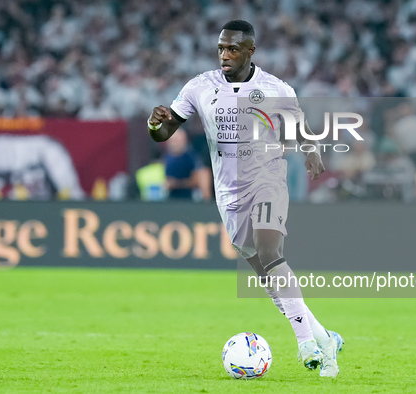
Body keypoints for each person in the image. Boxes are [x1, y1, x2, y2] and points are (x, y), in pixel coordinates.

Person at [147, 20, 343, 377]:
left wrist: (312, 151)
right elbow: (165, 132)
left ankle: (305, 345)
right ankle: (325, 337)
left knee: (271, 253)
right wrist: (154, 123)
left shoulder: (274, 88)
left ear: (250, 51)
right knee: (268, 279)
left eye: (232, 49)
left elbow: (301, 130)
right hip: (229, 192)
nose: (224, 55)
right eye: (221, 48)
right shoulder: (200, 87)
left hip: (267, 179)